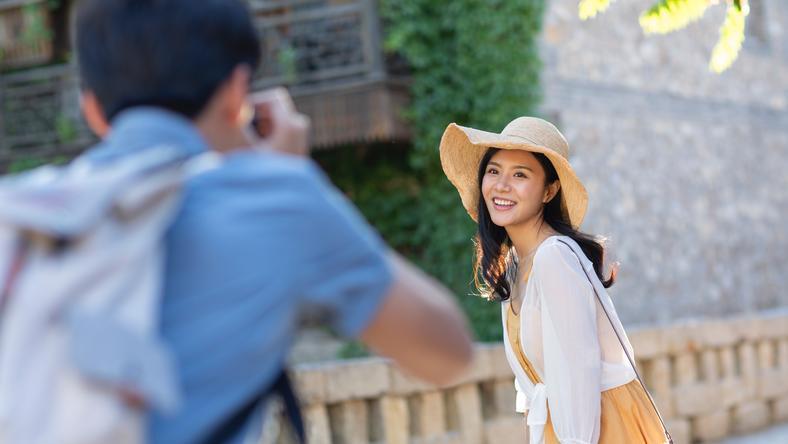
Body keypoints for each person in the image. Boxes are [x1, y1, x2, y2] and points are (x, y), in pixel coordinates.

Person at [72, 0, 474, 442]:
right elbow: (448, 354)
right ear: (237, 91)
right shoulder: (278, 203)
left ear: (92, 109)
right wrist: (288, 182)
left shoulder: (24, 213)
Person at [439, 117, 668, 444]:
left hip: (605, 429)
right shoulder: (516, 264)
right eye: (494, 171)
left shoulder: (554, 257)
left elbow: (579, 372)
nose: (502, 185)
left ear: (549, 190)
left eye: (520, 174)